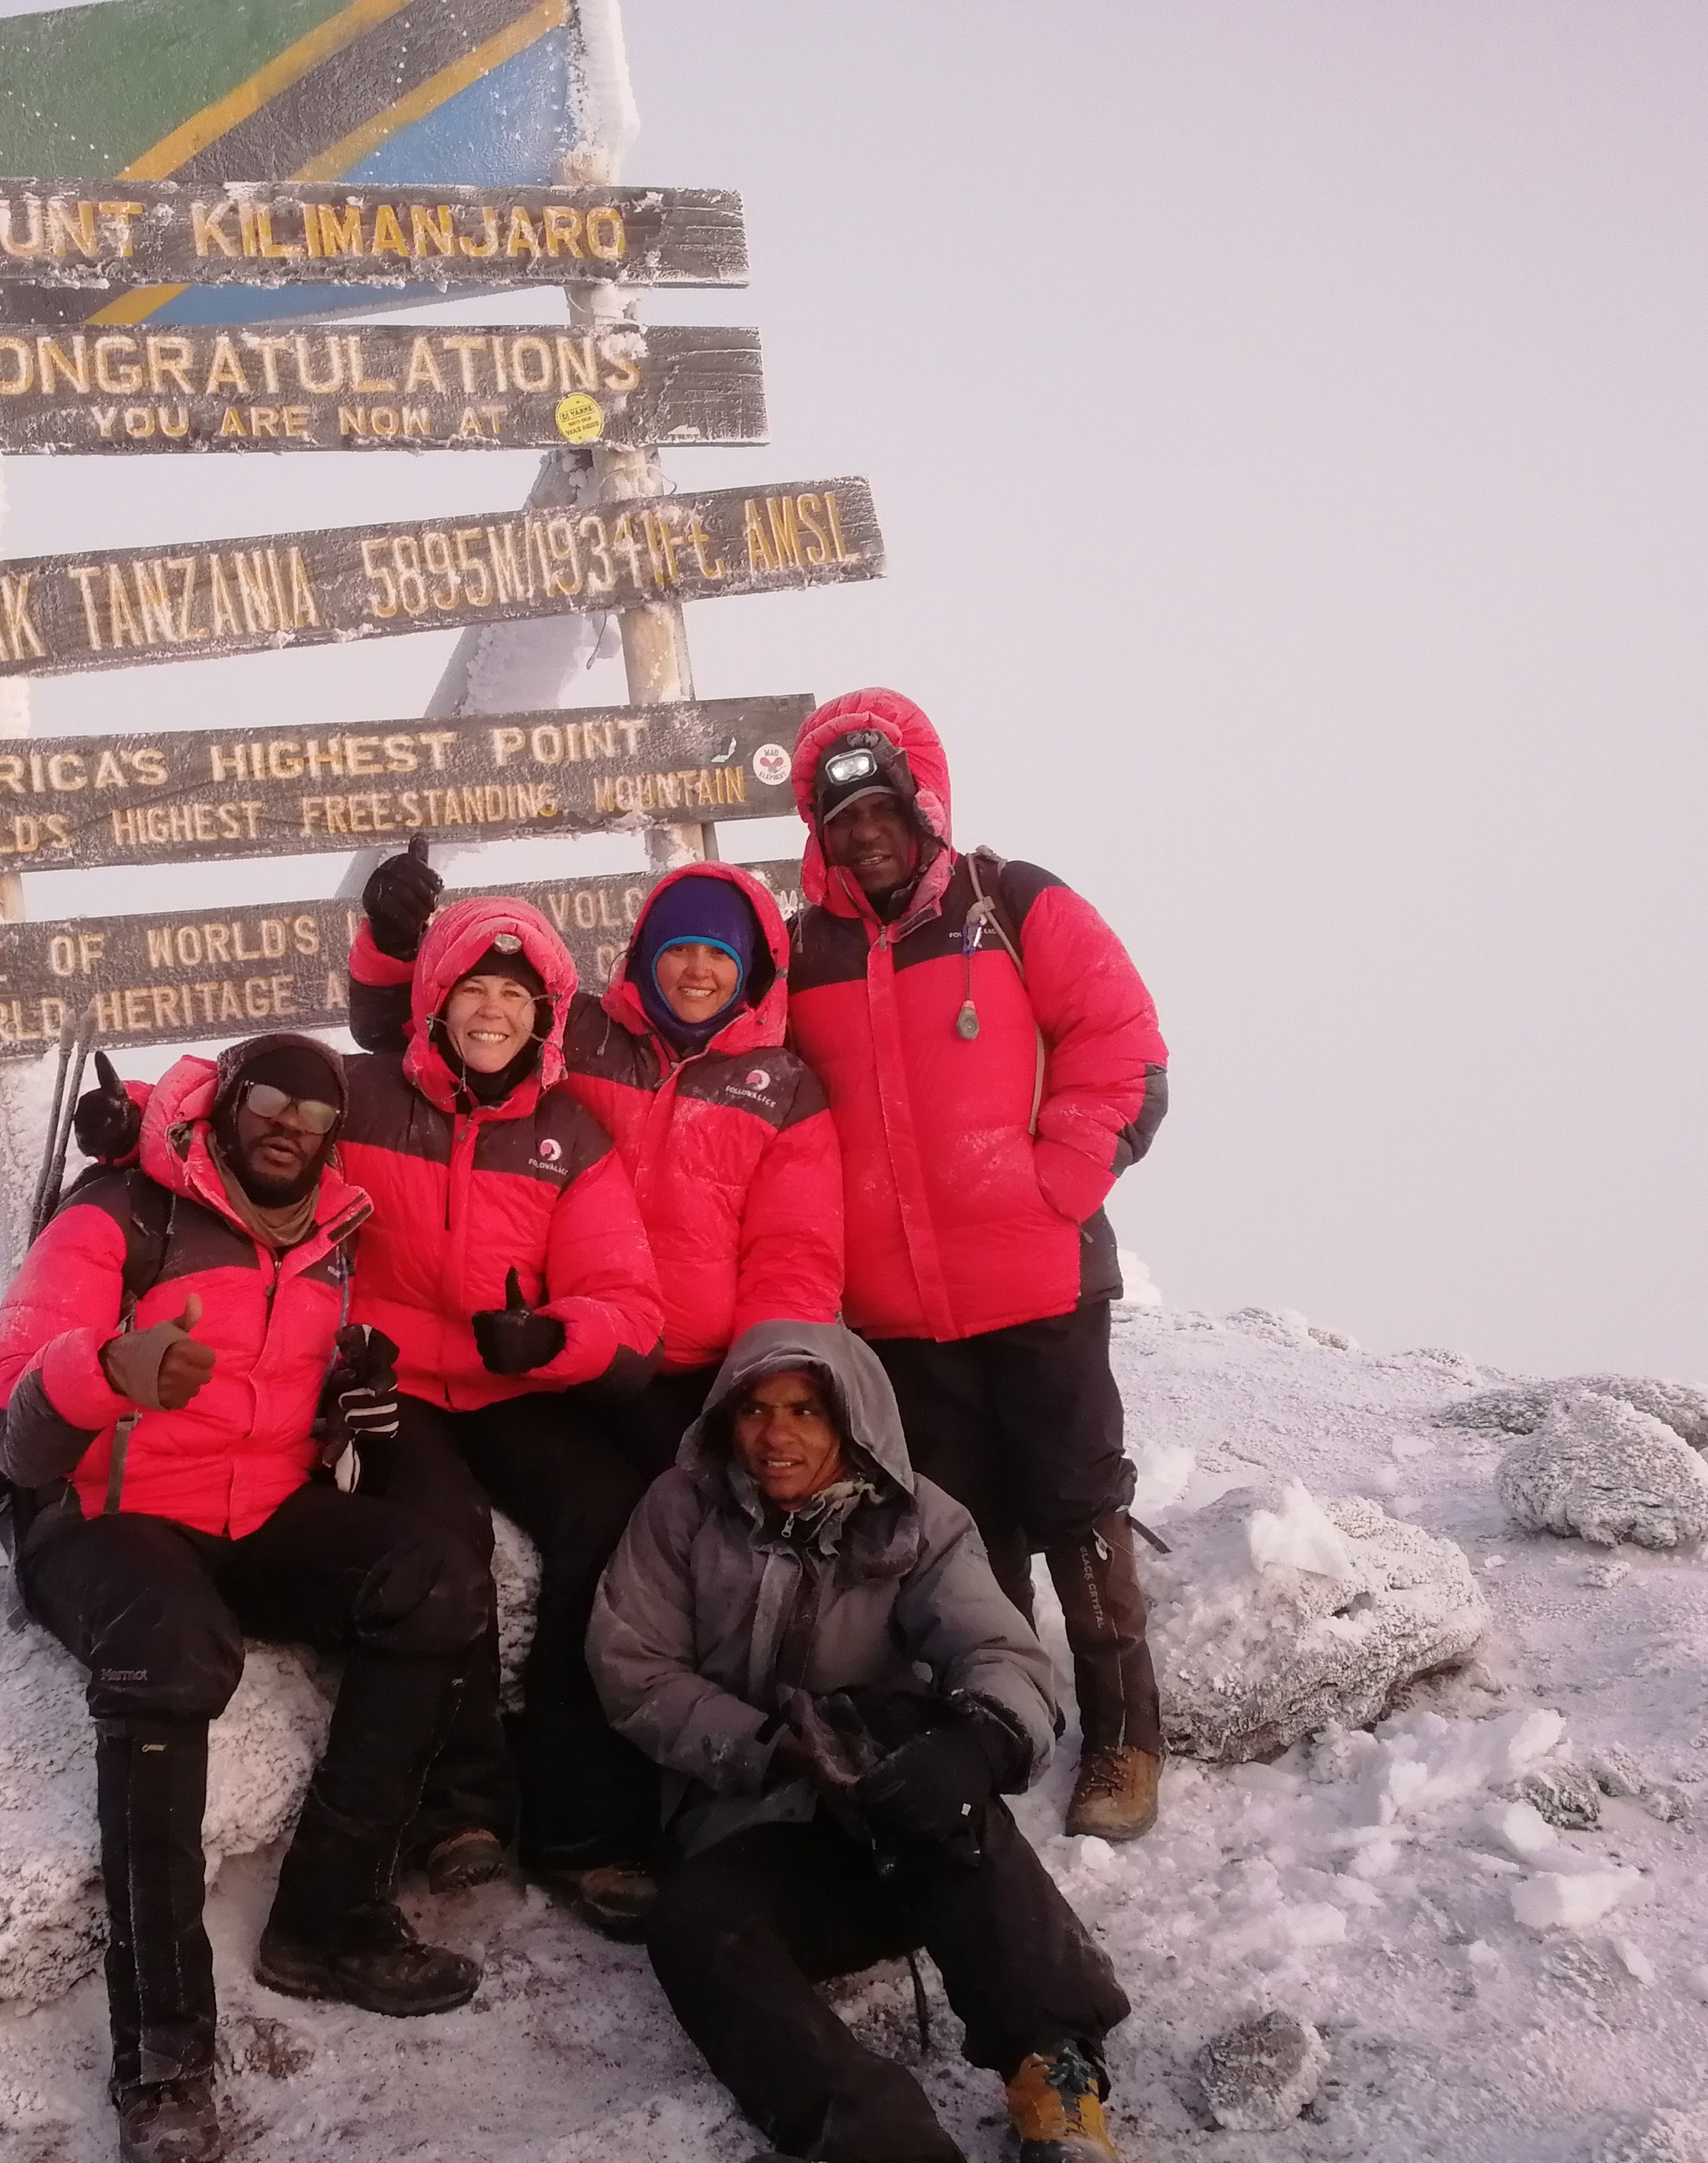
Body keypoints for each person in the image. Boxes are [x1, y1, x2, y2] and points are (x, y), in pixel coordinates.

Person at [0, 1033, 490, 2163]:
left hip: (258, 1511)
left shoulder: (333, 1232)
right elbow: (2, 1423)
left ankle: (330, 1920)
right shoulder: (118, 1216)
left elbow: (286, 1393)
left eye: (315, 1117)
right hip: (105, 1515)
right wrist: (104, 1372)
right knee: (172, 1647)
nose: (288, 1131)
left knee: (436, 1579)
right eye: (266, 1106)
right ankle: (162, 2050)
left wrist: (346, 1399)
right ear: (224, 1107)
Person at [589, 1321, 1134, 2163]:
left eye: (806, 1410)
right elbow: (634, 1665)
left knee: (960, 1807)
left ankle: (1055, 2080)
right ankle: (877, 2139)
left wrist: (979, 1743)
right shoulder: (682, 1508)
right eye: (756, 1410)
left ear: (854, 1421)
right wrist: (769, 1744)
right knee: (694, 1926)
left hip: (892, 1810)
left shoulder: (919, 1518)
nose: (776, 1435)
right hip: (750, 1820)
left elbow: (998, 1649)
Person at [782, 690, 1172, 1841]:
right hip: (897, 1312)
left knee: (1079, 1508)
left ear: (924, 808)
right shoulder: (799, 951)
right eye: (842, 819)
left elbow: (1123, 1043)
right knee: (964, 1530)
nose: (866, 835)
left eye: (882, 810)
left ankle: (1124, 1737)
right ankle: (1011, 1716)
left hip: (1042, 1283)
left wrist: (1057, 1184)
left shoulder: (1011, 901)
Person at [322, 894, 671, 1934]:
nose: (491, 1012)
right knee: (444, 1534)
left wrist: (553, 1336)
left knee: (607, 1512)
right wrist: (134, 1127)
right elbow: (234, 1107)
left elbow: (629, 1304)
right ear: (433, 998)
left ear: (544, 1015)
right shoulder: (359, 1097)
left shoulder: (570, 1134)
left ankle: (581, 1829)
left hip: (508, 1382)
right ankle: (459, 1809)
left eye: (515, 996)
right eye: (472, 988)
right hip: (393, 1379)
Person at [348, 842, 846, 1474]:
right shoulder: (580, 1033)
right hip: (562, 1352)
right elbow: (424, 1025)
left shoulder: (782, 1087)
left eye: (719, 954)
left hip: (706, 1371)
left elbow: (792, 1253)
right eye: (679, 950)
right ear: (644, 953)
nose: (697, 971)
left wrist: (766, 1379)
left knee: (705, 1498)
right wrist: (393, 942)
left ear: (748, 968)